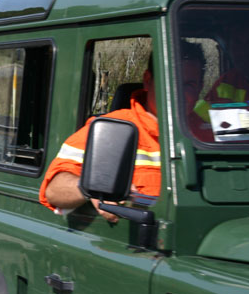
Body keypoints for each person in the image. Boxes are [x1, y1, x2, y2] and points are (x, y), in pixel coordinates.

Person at [39, 58, 160, 223]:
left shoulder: (204, 132)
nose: (183, 96)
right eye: (174, 86)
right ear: (147, 80)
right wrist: (96, 187)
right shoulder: (110, 129)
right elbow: (54, 191)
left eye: (191, 86)